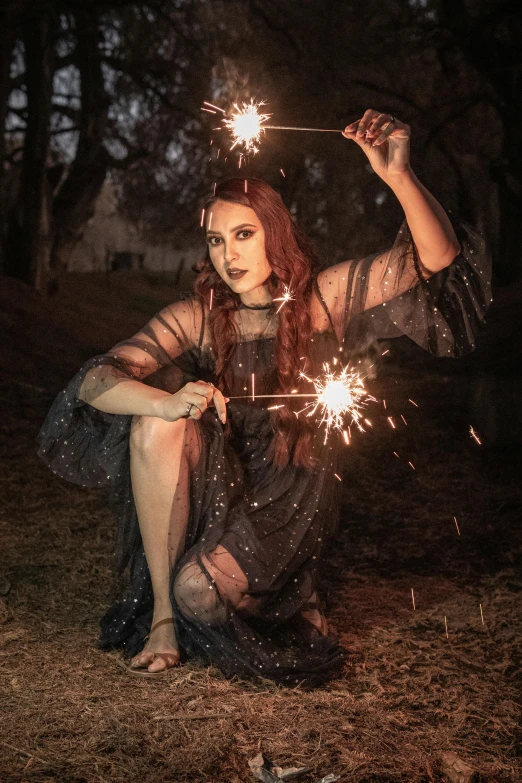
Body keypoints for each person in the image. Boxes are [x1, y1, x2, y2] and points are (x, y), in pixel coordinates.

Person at [37, 109, 491, 685]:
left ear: (275, 233)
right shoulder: (198, 319)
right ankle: (162, 621)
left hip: (291, 489)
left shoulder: (321, 300)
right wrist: (163, 402)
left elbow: (436, 258)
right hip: (219, 485)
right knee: (153, 421)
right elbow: (96, 380)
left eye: (244, 235)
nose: (230, 256)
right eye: (217, 240)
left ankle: (282, 597)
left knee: (200, 592)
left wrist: (398, 175)